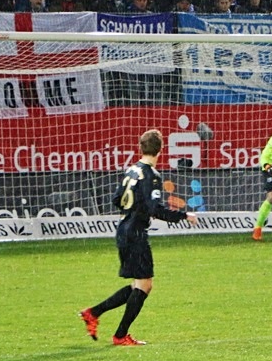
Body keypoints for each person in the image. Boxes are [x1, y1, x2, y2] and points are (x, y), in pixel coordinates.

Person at [78, 129, 197, 346]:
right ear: (161, 150)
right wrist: (183, 215)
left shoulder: (131, 170)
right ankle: (120, 335)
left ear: (140, 147)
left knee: (138, 285)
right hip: (135, 233)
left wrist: (135, 208)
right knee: (144, 285)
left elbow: (116, 199)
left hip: (123, 229)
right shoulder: (151, 176)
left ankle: (93, 313)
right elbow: (155, 209)